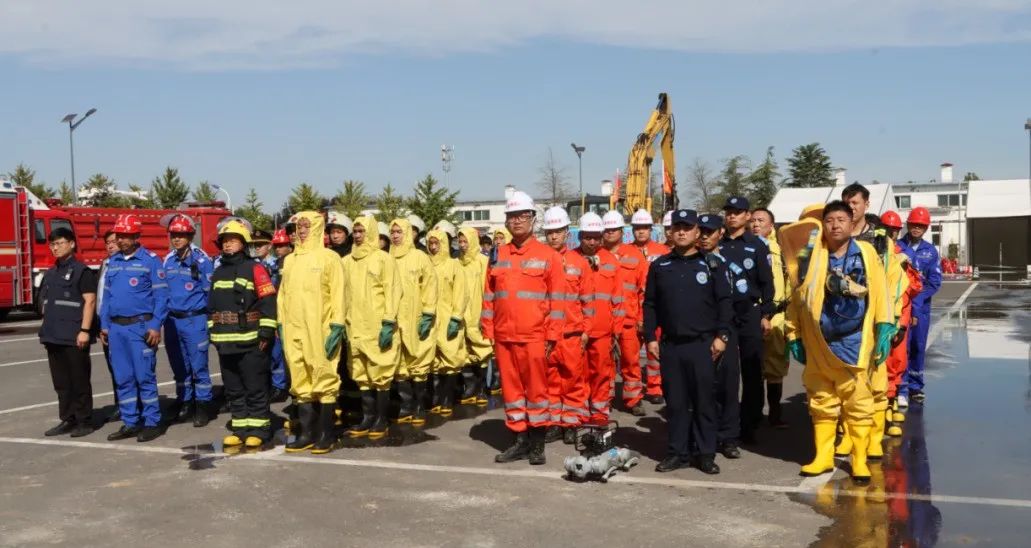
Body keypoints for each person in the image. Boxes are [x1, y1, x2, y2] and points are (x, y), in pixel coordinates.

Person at [783, 200, 893, 484]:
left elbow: (880, 291)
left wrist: (884, 326)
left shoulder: (866, 252)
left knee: (858, 402)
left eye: (841, 220)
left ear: (851, 222)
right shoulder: (810, 256)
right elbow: (797, 296)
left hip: (853, 341)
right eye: (829, 220)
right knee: (821, 399)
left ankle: (859, 459)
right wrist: (794, 334)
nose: (835, 226)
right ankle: (822, 455)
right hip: (818, 341)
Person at [644, 209, 731, 474]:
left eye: (687, 228)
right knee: (676, 402)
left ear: (697, 232)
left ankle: (705, 454)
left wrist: (722, 336)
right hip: (671, 346)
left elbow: (724, 302)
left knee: (704, 401)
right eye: (677, 227)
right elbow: (650, 304)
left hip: (703, 345)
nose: (681, 232)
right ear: (670, 232)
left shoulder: (712, 265)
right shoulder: (660, 266)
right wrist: (650, 337)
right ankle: (677, 453)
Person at [483, 190, 566, 465]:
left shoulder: (548, 256)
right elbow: (489, 294)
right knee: (511, 392)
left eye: (522, 215)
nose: (516, 221)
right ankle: (519, 441)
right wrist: (488, 329)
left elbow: (558, 300)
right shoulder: (498, 254)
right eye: (512, 216)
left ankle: (537, 444)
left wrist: (552, 334)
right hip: (504, 336)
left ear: (532, 219)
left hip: (535, 337)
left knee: (537, 392)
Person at [278, 211, 346, 454]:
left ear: (317, 228)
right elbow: (282, 295)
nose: (302, 231)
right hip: (294, 328)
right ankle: (307, 433)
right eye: (299, 227)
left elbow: (339, 293)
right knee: (300, 378)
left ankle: (327, 434)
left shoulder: (329, 258)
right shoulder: (290, 260)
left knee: (323, 376)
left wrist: (337, 325)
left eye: (307, 226)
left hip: (320, 328)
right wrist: (281, 323)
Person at [209, 220, 278, 449]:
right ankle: (240, 429)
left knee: (255, 386)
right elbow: (211, 306)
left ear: (243, 243)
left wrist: (266, 332)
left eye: (232, 240)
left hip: (251, 340)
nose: (227, 244)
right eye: (224, 241)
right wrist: (212, 331)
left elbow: (268, 301)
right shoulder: (218, 272)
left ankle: (259, 429)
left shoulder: (255, 268)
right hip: (225, 341)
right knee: (234, 388)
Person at [100, 213, 169, 443]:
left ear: (136, 236)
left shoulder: (150, 260)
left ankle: (152, 422)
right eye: (119, 236)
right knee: (123, 378)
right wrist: (104, 325)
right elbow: (107, 298)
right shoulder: (113, 262)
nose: (120, 240)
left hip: (140, 327)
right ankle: (130, 421)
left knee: (144, 377)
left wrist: (155, 325)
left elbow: (161, 297)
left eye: (125, 236)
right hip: (116, 329)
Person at [720, 196, 774, 444]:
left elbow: (767, 283)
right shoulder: (717, 244)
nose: (732, 216)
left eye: (737, 212)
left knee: (752, 370)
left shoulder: (757, 245)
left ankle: (751, 421)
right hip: (724, 314)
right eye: (729, 212)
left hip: (750, 313)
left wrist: (766, 314)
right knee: (726, 371)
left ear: (747, 215)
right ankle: (727, 422)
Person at [342, 216, 401, 440]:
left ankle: (381, 419)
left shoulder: (383, 259)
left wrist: (388, 321)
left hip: (377, 326)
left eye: (361, 231)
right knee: (361, 374)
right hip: (354, 327)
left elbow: (393, 291)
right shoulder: (347, 262)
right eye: (355, 231)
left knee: (381, 373)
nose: (357, 235)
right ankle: (367, 417)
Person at [39, 227, 98, 438]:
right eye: (53, 244)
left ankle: (84, 420)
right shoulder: (51, 273)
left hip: (74, 335)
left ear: (71, 244)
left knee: (79, 380)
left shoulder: (82, 271)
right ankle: (68, 418)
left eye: (60, 243)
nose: (55, 247)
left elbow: (90, 301)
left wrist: (85, 330)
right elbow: (46, 303)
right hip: (53, 335)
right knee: (61, 383)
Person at [540, 207, 591, 444]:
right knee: (549, 381)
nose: (553, 236)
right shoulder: (539, 261)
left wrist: (586, 331)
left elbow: (588, 301)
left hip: (571, 333)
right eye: (550, 232)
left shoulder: (579, 262)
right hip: (547, 333)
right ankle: (553, 423)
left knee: (573, 380)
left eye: (558, 231)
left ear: (566, 233)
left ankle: (570, 423)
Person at [696, 214, 742, 458]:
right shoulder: (690, 261)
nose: (704, 236)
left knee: (727, 386)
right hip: (699, 332)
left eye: (710, 232)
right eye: (701, 231)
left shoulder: (729, 263)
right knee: (702, 387)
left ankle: (729, 437)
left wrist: (725, 332)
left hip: (725, 329)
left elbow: (738, 297)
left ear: (720, 233)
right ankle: (705, 435)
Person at [162, 214, 214, 427]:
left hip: (194, 320)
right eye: (174, 235)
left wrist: (210, 321)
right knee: (179, 365)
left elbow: (209, 293)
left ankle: (203, 405)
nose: (177, 239)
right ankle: (185, 401)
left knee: (198, 366)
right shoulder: (168, 259)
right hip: (172, 321)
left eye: (181, 235)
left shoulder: (202, 260)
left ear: (191, 236)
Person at [574, 212, 623, 426]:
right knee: (579, 373)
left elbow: (618, 299)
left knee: (601, 373)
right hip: (578, 330)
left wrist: (616, 330)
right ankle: (580, 411)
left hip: (603, 330)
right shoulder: (570, 259)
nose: (592, 242)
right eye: (587, 237)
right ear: (580, 236)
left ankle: (600, 412)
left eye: (596, 237)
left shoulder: (611, 261)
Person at [390, 218, 439, 425]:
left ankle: (419, 405)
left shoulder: (419, 257)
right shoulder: (386, 257)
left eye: (399, 232)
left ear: (408, 233)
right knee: (399, 362)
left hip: (416, 316)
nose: (395, 235)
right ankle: (406, 405)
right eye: (393, 232)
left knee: (418, 359)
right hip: (394, 317)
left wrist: (428, 313)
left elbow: (430, 285)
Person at [600, 211, 649, 416]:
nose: (610, 233)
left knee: (631, 361)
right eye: (607, 229)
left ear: (622, 231)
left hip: (629, 320)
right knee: (605, 362)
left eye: (614, 229)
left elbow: (644, 290)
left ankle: (633, 399)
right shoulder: (597, 256)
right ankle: (605, 398)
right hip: (605, 320)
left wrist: (642, 319)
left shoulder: (635, 255)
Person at [879, 211, 922, 437]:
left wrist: (904, 322)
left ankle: (891, 405)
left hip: (897, 316)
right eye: (888, 230)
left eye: (895, 230)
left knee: (897, 361)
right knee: (878, 365)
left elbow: (910, 290)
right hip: (878, 317)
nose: (891, 234)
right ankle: (881, 410)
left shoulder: (902, 257)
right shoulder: (873, 253)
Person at [897, 206, 941, 406]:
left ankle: (915, 386)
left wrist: (917, 301)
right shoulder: (896, 247)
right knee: (899, 346)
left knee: (917, 346)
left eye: (921, 226)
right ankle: (900, 386)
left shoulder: (930, 251)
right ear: (907, 225)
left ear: (926, 228)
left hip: (920, 308)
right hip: (900, 306)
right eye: (913, 224)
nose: (916, 228)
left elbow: (934, 282)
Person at [751, 207, 790, 428]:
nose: (756, 224)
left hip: (776, 315)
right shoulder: (744, 248)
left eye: (761, 220)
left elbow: (790, 280)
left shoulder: (780, 250)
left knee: (775, 366)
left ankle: (775, 413)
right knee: (752, 364)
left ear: (771, 225)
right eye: (753, 220)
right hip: (752, 314)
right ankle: (753, 413)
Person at [426, 228, 468, 418]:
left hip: (448, 316)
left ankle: (447, 398)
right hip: (430, 318)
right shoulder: (426, 264)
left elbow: (461, 292)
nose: (434, 247)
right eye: (431, 243)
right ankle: (436, 397)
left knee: (450, 357)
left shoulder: (453, 265)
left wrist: (456, 317)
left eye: (437, 243)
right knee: (433, 358)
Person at [630, 209, 670, 403]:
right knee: (631, 356)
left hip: (654, 309)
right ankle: (634, 392)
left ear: (651, 229)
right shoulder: (625, 252)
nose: (641, 231)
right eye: (637, 228)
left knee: (654, 352)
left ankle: (655, 389)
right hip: (631, 310)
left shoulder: (663, 251)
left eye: (644, 227)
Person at [457, 227, 494, 405]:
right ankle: (470, 385)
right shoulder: (457, 262)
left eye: (466, 241)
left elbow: (487, 289)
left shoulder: (482, 261)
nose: (462, 245)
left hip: (477, 313)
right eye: (460, 241)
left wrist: (484, 314)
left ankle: (482, 388)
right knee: (462, 351)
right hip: (461, 314)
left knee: (482, 351)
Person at [96, 230, 124, 422]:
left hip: (123, 324)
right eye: (107, 242)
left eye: (114, 241)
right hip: (106, 324)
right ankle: (120, 404)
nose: (111, 245)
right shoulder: (105, 264)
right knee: (113, 367)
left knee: (127, 368)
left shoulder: (126, 265)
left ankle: (133, 405)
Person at [267, 228, 292, 402]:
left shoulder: (294, 262)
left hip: (293, 314)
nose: (278, 249)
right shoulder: (274, 265)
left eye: (282, 245)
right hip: (278, 311)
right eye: (276, 246)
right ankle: (280, 386)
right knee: (277, 352)